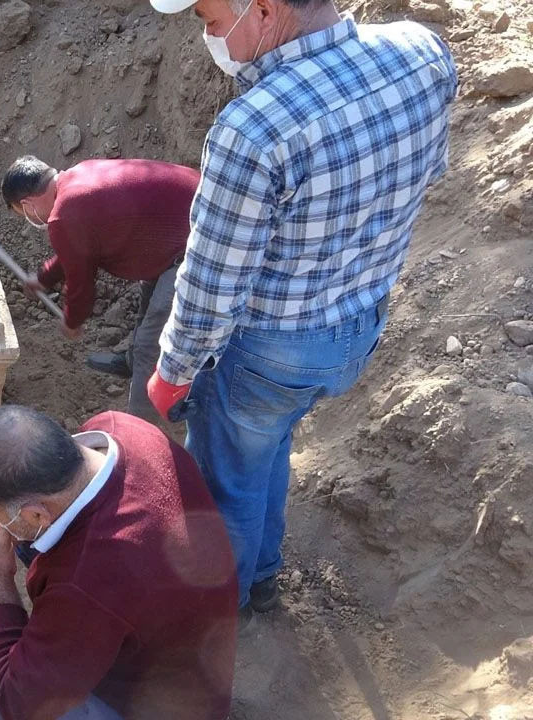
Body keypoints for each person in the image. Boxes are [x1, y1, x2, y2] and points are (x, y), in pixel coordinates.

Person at [144, 0, 457, 619]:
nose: (207, 36)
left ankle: (221, 611)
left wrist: (173, 371)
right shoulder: (420, 50)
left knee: (227, 481)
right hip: (359, 326)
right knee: (267, 441)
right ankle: (261, 576)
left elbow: (211, 283)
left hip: (272, 350)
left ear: (262, 10)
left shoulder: (253, 130)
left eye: (208, 19)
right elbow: (430, 171)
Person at [0, 405, 237, 720]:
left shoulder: (88, 580)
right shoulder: (120, 428)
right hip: (189, 658)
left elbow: (17, 702)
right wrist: (7, 526)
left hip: (158, 708)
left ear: (37, 514)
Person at [1, 156, 198, 426]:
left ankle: (140, 429)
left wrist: (73, 320)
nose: (29, 219)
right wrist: (44, 278)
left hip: (199, 246)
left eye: (22, 213)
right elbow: (79, 250)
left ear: (27, 204)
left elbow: (81, 282)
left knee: (150, 344)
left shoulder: (64, 214)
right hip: (183, 227)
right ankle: (133, 365)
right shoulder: (78, 177)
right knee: (147, 303)